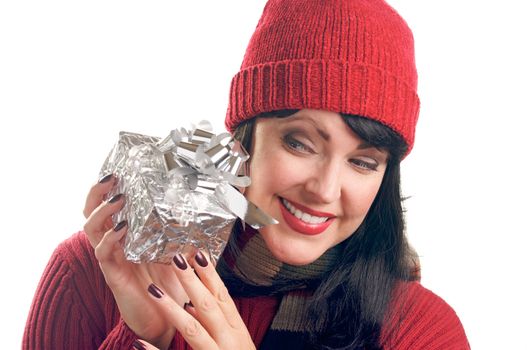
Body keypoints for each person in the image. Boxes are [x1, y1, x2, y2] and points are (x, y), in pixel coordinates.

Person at [23, 0, 470, 349]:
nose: (325, 189)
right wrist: (144, 338)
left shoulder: (420, 331)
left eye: (363, 161)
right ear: (243, 139)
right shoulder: (94, 273)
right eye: (299, 142)